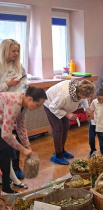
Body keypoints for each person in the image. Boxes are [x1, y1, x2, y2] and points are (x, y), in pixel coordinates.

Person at [0, 87, 47, 195]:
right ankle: (6, 189)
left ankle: (8, 184)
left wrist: (27, 146)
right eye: (38, 105)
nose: (37, 108)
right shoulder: (15, 103)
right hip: (2, 124)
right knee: (5, 150)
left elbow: (20, 127)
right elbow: (6, 135)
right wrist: (22, 149)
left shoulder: (24, 105)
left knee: (7, 150)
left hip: (1, 120)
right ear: (30, 99)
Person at [44, 79, 95, 165]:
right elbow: (53, 107)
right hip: (50, 104)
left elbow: (83, 100)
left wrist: (87, 108)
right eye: (86, 96)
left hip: (61, 105)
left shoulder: (81, 88)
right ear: (80, 94)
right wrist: (67, 114)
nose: (87, 98)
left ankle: (62, 150)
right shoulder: (65, 95)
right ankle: (58, 155)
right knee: (58, 129)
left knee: (66, 126)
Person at [0, 39, 28, 180]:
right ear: (5, 51)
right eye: (13, 51)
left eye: (18, 51)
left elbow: (24, 82)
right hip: (3, 108)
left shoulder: (19, 67)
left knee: (17, 136)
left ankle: (16, 168)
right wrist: (8, 84)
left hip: (17, 105)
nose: (16, 54)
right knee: (6, 140)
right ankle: (6, 170)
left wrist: (24, 91)